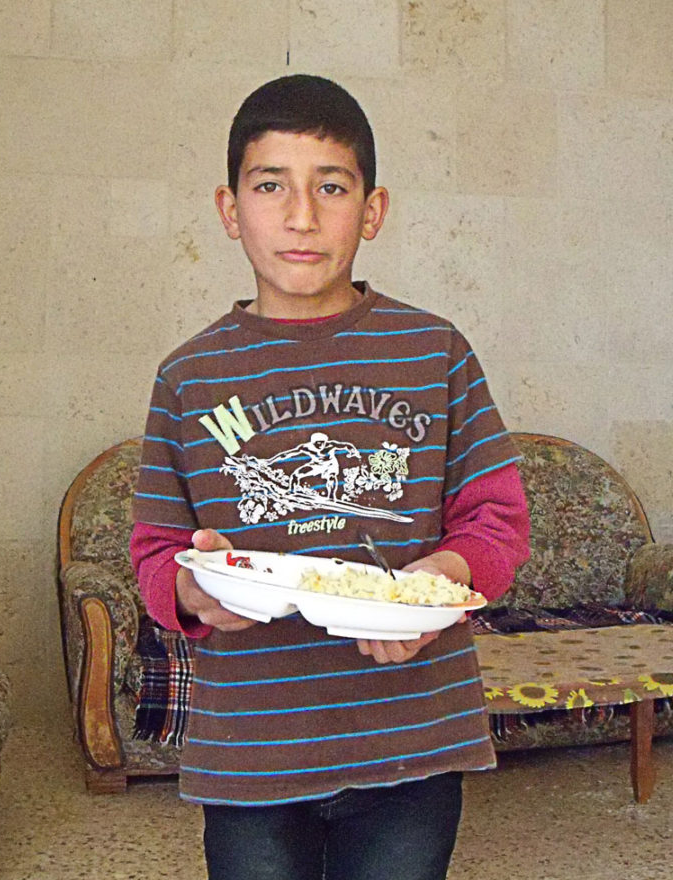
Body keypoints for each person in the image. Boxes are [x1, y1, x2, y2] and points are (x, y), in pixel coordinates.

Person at [130, 74, 531, 880]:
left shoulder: (435, 351)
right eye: (270, 185)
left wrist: (432, 586)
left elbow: (497, 518)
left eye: (332, 186)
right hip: (251, 747)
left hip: (413, 735)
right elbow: (157, 548)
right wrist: (193, 591)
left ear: (372, 210)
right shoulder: (188, 376)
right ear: (229, 208)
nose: (302, 215)